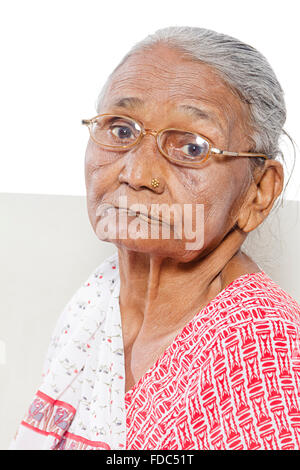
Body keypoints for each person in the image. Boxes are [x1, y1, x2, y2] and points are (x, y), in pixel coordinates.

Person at [10, 26, 300, 450]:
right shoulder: (97, 303)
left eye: (192, 147)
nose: (136, 173)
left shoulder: (266, 361)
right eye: (122, 130)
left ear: (258, 193)